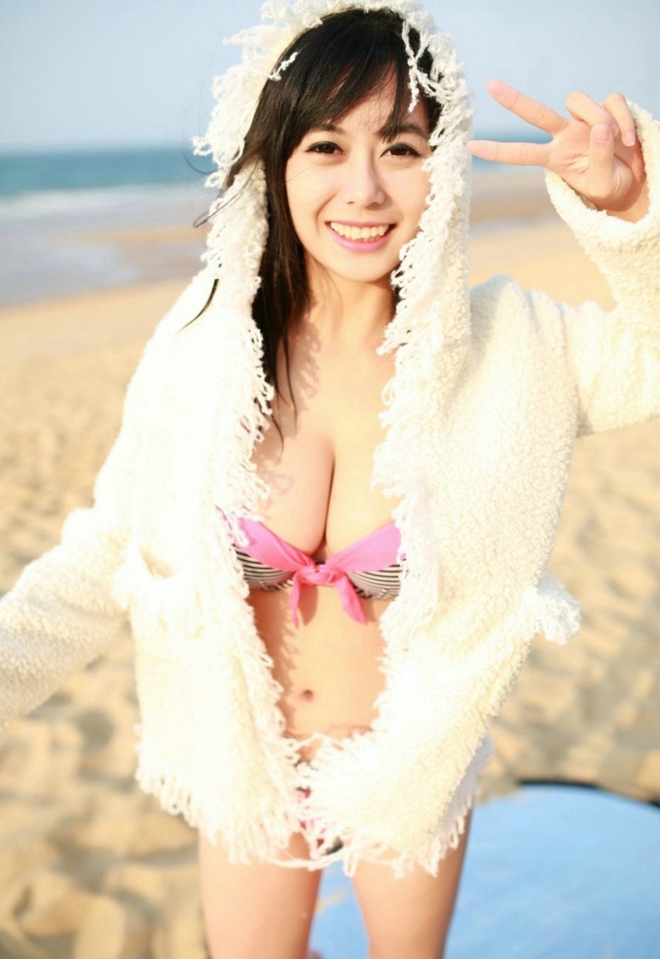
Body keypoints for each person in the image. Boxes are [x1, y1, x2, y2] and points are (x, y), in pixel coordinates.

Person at [0, 1, 657, 957]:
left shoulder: (514, 345)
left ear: (443, 162)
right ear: (277, 160)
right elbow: (110, 547)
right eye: (325, 146)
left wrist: (630, 216)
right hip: (248, 766)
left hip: (410, 770)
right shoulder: (206, 344)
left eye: (401, 147)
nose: (364, 189)